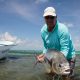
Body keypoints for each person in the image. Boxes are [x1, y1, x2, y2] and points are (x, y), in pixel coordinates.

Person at [37, 7, 76, 77]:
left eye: (52, 17)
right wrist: (43, 55)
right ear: (44, 18)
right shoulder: (42, 31)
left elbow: (65, 48)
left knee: (67, 76)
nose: (49, 19)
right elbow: (46, 46)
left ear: (56, 17)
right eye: (47, 17)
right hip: (55, 58)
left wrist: (57, 62)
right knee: (51, 74)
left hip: (69, 56)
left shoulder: (62, 29)